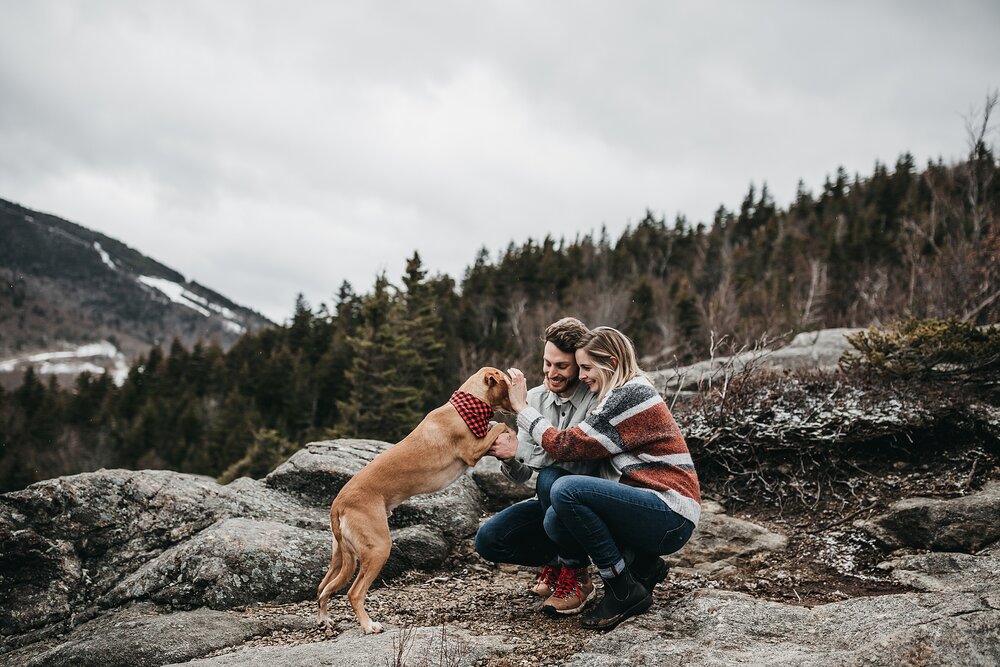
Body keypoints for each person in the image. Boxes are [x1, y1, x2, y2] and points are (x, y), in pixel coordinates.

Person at [505, 326, 701, 631]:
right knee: (556, 519)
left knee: (566, 489)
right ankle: (642, 565)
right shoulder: (620, 393)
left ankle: (622, 588)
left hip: (670, 510)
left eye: (586, 367)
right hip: (654, 508)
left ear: (609, 361)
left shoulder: (630, 394)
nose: (582, 376)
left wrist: (521, 408)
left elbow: (564, 445)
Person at [474, 317, 604, 615]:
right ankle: (557, 562)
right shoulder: (533, 397)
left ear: (581, 365)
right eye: (547, 363)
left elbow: (569, 455)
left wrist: (524, 439)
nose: (550, 373)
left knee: (553, 478)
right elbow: (523, 476)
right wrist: (509, 457)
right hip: (547, 504)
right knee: (489, 540)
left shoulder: (596, 400)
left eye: (561, 366)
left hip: (587, 507)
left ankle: (578, 575)